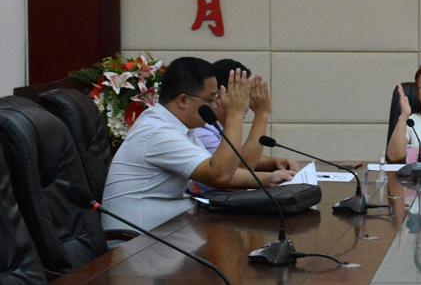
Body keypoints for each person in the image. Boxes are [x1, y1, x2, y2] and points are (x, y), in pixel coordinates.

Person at [102, 57, 293, 231]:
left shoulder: (177, 128)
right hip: (135, 243)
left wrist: (269, 179)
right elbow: (220, 176)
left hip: (164, 230)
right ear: (183, 100)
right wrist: (235, 114)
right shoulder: (158, 132)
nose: (216, 105)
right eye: (211, 99)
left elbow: (224, 171)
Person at [190, 59, 300, 192]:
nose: (248, 101)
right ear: (219, 95)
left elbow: (237, 157)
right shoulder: (201, 131)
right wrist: (262, 113)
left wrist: (274, 162)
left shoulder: (218, 127)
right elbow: (237, 171)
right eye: (243, 94)